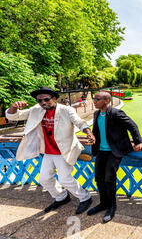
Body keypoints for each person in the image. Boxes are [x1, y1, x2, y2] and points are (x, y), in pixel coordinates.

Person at [5, 87, 95, 215]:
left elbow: (79, 122)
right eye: (39, 100)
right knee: (44, 179)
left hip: (64, 150)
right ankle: (61, 197)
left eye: (46, 99)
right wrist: (14, 106)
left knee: (65, 179)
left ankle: (85, 198)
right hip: (48, 151)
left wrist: (88, 132)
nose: (43, 103)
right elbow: (15, 116)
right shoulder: (36, 110)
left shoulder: (66, 110)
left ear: (54, 98)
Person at [87, 91, 142, 223]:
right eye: (94, 99)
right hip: (101, 150)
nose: (94, 101)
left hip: (114, 151)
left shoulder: (116, 113)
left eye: (97, 99)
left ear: (106, 101)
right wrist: (92, 138)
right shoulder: (96, 114)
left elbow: (132, 125)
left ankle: (112, 206)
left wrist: (137, 142)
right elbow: (97, 131)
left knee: (109, 179)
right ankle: (103, 203)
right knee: (99, 178)